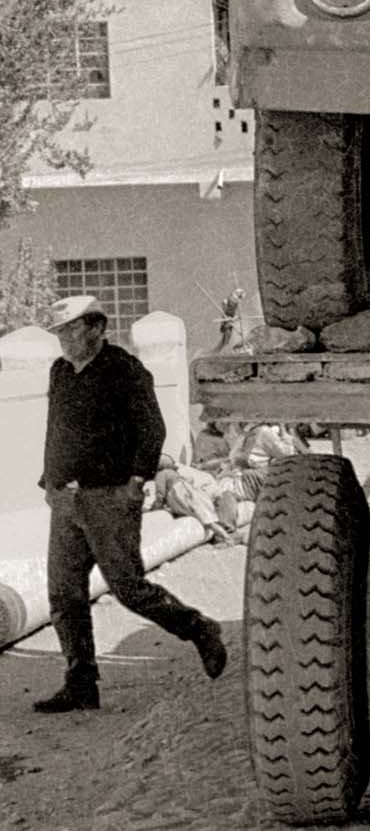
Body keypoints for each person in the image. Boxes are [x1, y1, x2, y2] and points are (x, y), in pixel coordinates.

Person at [34, 295, 228, 713]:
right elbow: (56, 430)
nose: (64, 339)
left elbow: (152, 428)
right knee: (64, 594)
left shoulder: (124, 370)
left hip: (110, 496)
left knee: (128, 588)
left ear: (96, 328)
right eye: (60, 333)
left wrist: (136, 481)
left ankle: (199, 628)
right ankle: (81, 682)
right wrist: (48, 480)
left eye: (71, 330)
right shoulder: (61, 371)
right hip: (65, 498)